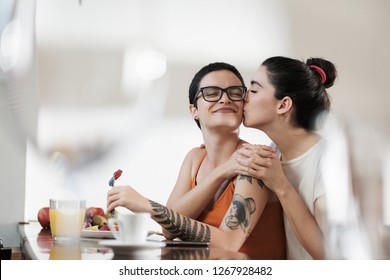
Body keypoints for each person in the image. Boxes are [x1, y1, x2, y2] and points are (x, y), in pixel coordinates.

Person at [106, 62, 286, 259]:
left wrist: (148, 206)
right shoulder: (195, 159)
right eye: (211, 93)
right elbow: (169, 230)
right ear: (194, 110)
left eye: (234, 92)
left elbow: (229, 242)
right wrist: (220, 173)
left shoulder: (253, 160)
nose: (225, 99)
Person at [234, 56, 337, 259]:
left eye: (254, 90)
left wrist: (281, 185)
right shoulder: (274, 152)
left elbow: (330, 256)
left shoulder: (328, 161)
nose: (244, 97)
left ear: (283, 105)